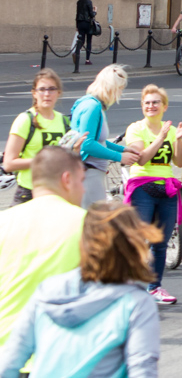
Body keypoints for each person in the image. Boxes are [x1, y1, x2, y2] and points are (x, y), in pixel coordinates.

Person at [0, 201, 161, 378]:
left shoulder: (47, 291)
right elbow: (142, 368)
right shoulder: (136, 303)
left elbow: (11, 359)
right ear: (134, 244)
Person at [0, 147, 85, 348]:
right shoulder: (87, 224)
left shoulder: (4, 221)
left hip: (7, 352)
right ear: (66, 179)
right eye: (81, 181)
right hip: (59, 353)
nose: (84, 189)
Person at [122, 84, 182, 305]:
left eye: (156, 102)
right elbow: (141, 158)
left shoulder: (169, 130)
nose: (151, 106)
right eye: (147, 102)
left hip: (166, 188)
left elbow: (179, 162)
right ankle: (131, 288)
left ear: (164, 106)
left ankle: (155, 287)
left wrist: (177, 139)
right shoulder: (136, 128)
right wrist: (160, 137)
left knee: (160, 241)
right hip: (143, 188)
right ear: (142, 106)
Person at [70, 65, 139, 204]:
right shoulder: (93, 107)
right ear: (111, 88)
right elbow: (88, 143)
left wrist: (123, 149)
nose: (120, 94)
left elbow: (97, 140)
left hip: (90, 171)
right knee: (92, 220)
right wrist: (120, 156)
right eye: (120, 89)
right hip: (89, 172)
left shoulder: (92, 104)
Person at [3, 68, 67, 206]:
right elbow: (9, 163)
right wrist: (43, 161)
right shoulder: (25, 120)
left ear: (58, 93)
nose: (47, 94)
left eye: (51, 89)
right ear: (34, 93)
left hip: (56, 193)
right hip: (29, 193)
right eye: (42, 89)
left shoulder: (64, 121)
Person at [73, 0, 98, 65]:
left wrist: (77, 25)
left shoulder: (79, 2)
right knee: (89, 41)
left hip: (80, 22)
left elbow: (77, 14)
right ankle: (87, 60)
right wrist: (95, 10)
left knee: (81, 40)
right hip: (87, 23)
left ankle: (76, 53)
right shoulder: (89, 2)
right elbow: (92, 14)